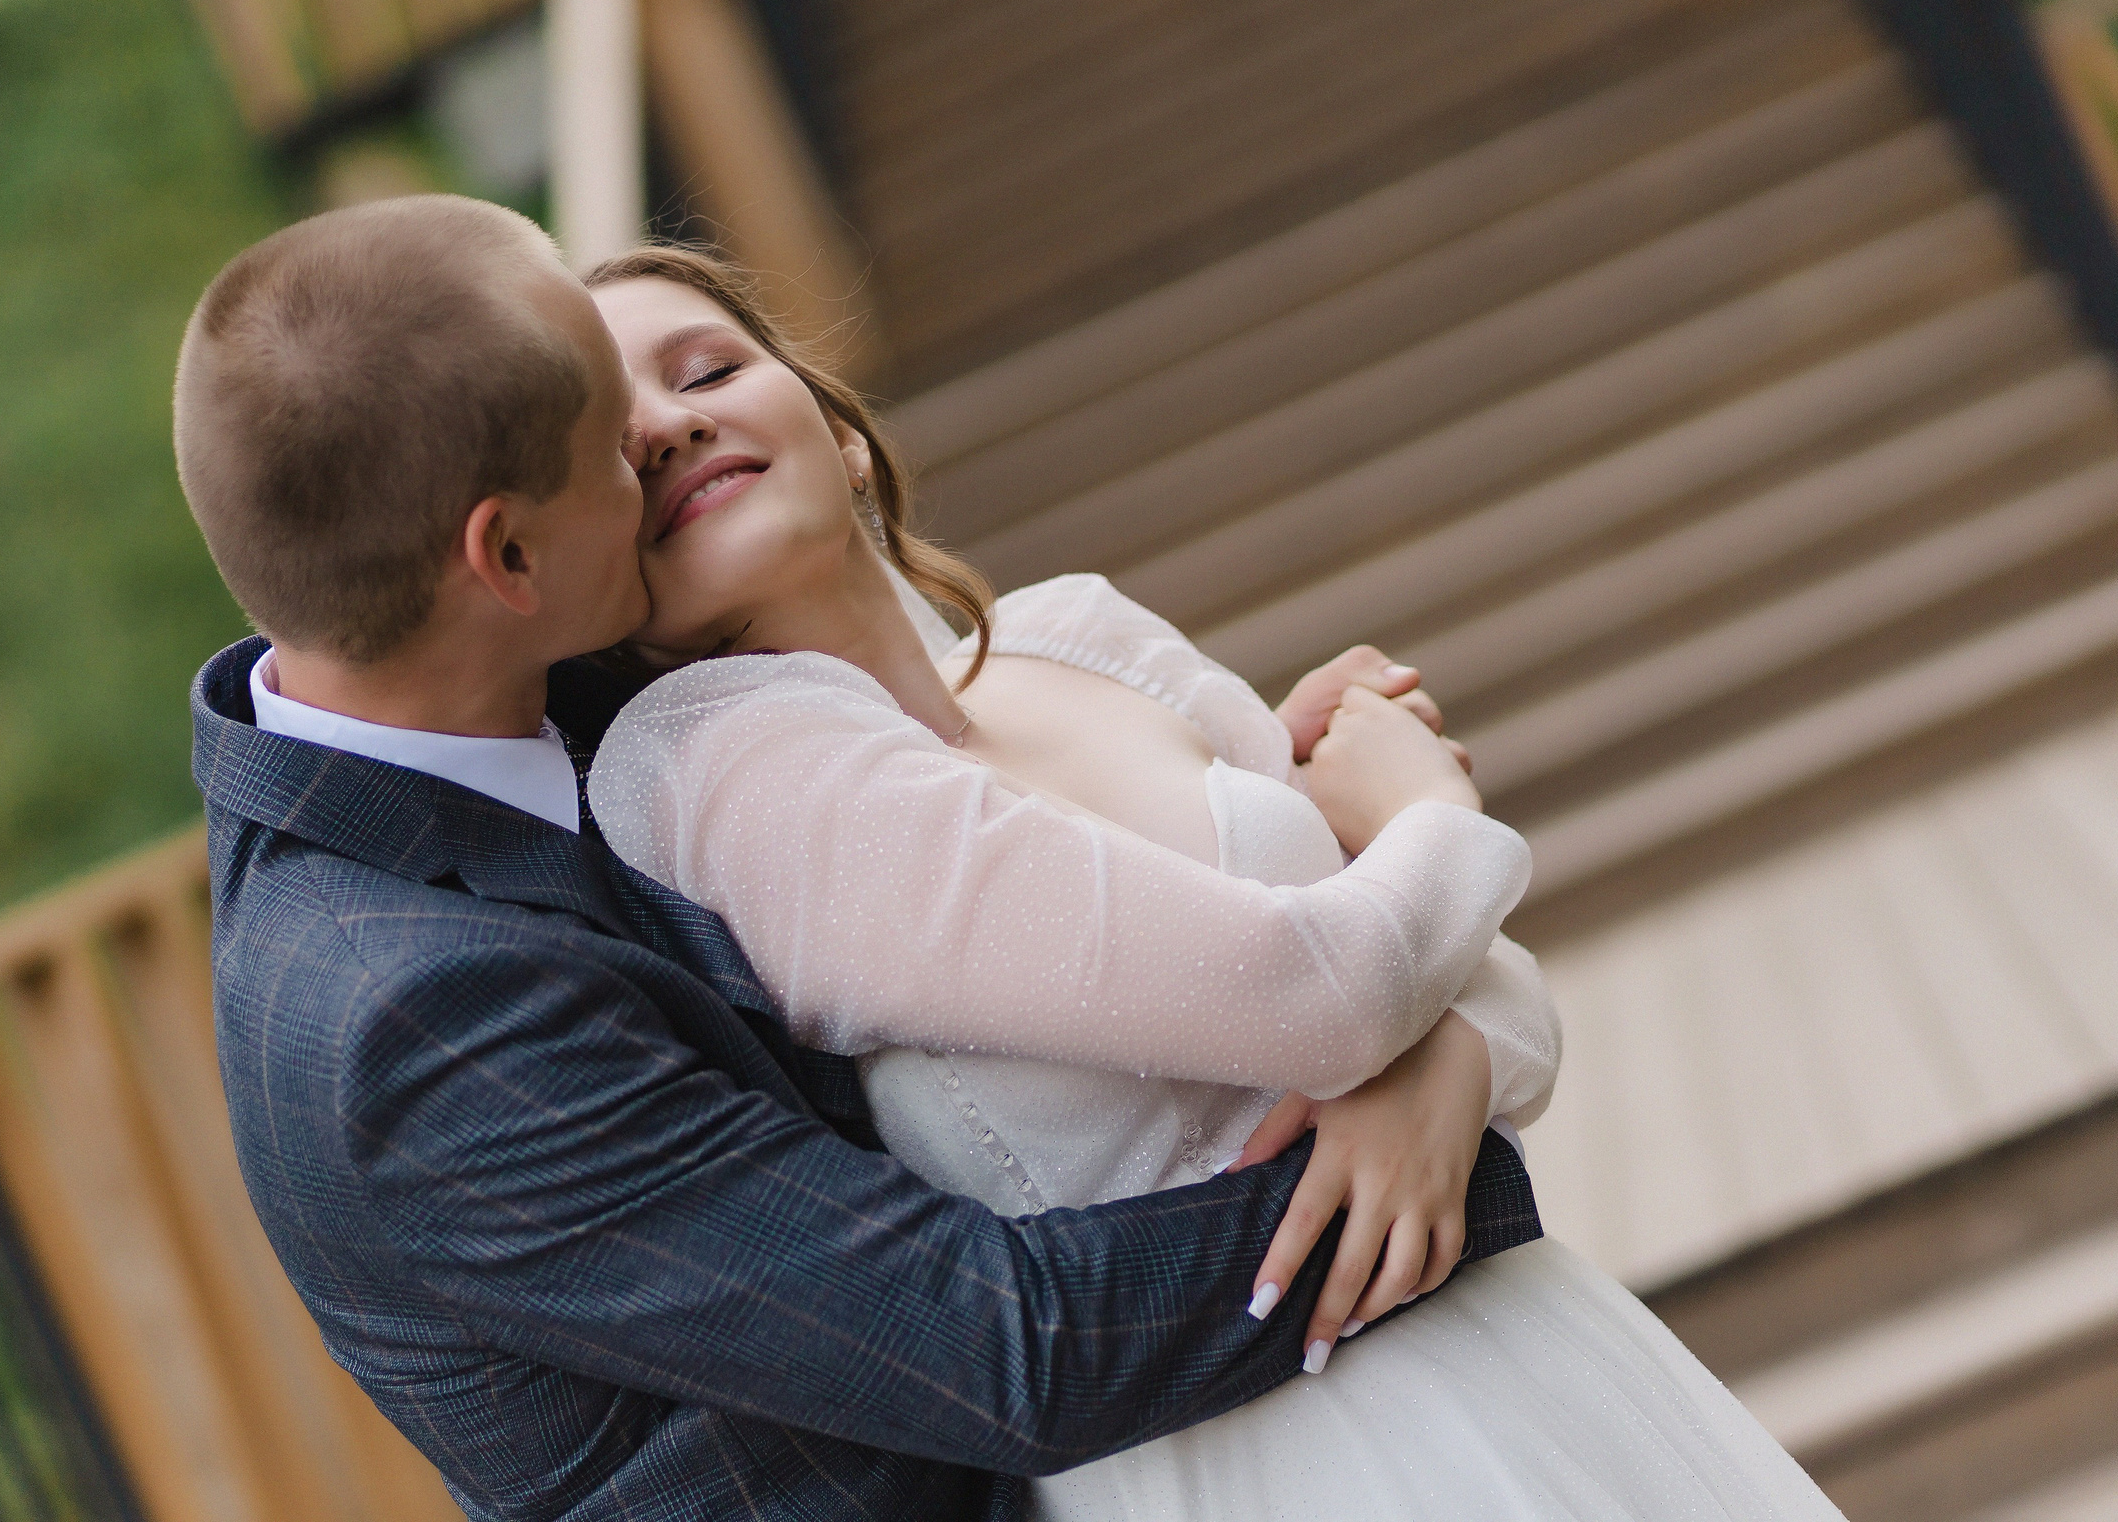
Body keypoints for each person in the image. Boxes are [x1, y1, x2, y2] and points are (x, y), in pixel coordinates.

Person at [174, 195, 1540, 1522]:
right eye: (613, 444)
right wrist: (1422, 1130)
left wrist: (1318, 890)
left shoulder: (498, 680)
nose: (658, 444)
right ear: (509, 554)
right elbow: (1005, 1348)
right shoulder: (412, 1026)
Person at [577, 242, 1852, 1520]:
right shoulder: (723, 778)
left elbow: (1476, 975)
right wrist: (1424, 802)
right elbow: (1338, 986)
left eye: (708, 370)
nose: (670, 426)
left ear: (838, 431)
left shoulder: (1086, 636)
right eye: (611, 442)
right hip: (1251, 1461)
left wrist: (1447, 1062)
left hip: (1521, 1351)